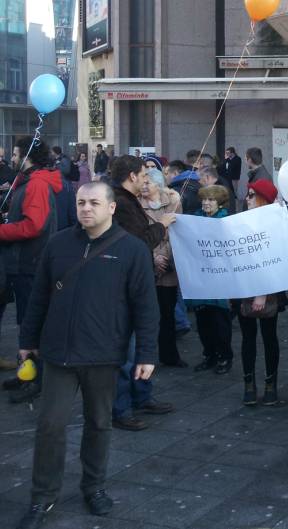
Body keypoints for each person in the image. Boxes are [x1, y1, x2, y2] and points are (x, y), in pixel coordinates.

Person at [14, 182, 160, 529]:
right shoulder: (58, 244)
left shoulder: (132, 249)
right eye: (81, 202)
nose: (86, 208)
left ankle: (93, 487)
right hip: (58, 353)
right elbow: (38, 297)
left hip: (103, 354)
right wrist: (27, 339)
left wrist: (147, 354)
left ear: (111, 208)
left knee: (99, 424)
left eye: (94, 202)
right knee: (50, 426)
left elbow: (146, 306)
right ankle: (42, 497)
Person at [109, 155, 175, 431]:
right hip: (124, 284)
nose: (147, 181)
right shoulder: (121, 203)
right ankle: (122, 408)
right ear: (133, 176)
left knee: (139, 345)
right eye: (144, 176)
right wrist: (162, 225)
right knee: (126, 349)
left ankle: (141, 396)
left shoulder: (126, 200)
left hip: (135, 280)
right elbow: (136, 243)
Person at [0, 138, 66, 395]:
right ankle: (26, 373)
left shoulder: (36, 184)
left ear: (26, 156)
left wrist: (2, 230)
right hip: (27, 262)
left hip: (31, 263)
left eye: (16, 154)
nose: (13, 159)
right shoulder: (31, 182)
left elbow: (34, 225)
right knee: (27, 323)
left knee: (31, 323)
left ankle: (35, 379)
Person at [239, 179, 282, 406]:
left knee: (268, 337)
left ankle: (270, 384)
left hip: (269, 290)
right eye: (248, 194)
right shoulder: (240, 221)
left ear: (264, 199)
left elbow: (275, 259)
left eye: (252, 195)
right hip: (243, 288)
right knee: (247, 339)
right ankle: (248, 384)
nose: (247, 198)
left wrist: (263, 293)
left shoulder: (274, 224)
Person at [139, 171, 186, 368]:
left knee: (167, 313)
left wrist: (164, 257)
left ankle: (169, 355)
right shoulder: (136, 204)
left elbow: (179, 233)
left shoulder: (174, 201)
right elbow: (137, 234)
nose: (143, 186)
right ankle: (145, 356)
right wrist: (153, 257)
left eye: (147, 182)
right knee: (146, 314)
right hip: (146, 264)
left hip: (168, 265)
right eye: (143, 182)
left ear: (158, 185)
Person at [186, 185, 234, 375]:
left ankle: (225, 356)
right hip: (200, 277)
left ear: (220, 202)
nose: (206, 203)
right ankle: (210, 355)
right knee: (203, 321)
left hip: (220, 279)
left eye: (211, 200)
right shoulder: (195, 218)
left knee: (220, 321)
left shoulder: (225, 221)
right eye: (204, 199)